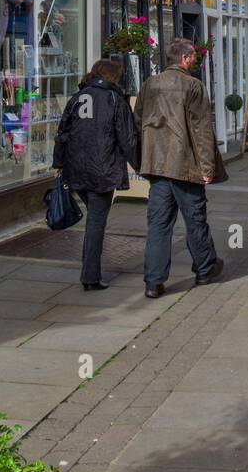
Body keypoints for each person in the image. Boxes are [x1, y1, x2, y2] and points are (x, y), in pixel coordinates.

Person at [134, 37, 226, 298]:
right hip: (185, 164)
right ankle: (205, 268)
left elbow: (138, 120)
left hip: (158, 165)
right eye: (193, 57)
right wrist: (207, 167)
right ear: (184, 59)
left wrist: (146, 156)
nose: (195, 60)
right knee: (195, 219)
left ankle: (153, 282)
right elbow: (202, 130)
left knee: (158, 225)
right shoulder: (193, 86)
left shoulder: (150, 84)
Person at [52, 57, 140, 291]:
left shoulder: (78, 97)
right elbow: (128, 139)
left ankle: (90, 268)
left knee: (94, 218)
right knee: (96, 222)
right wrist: (142, 166)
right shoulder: (115, 99)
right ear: (114, 76)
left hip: (76, 169)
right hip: (102, 170)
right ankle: (90, 275)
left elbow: (62, 132)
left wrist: (58, 163)